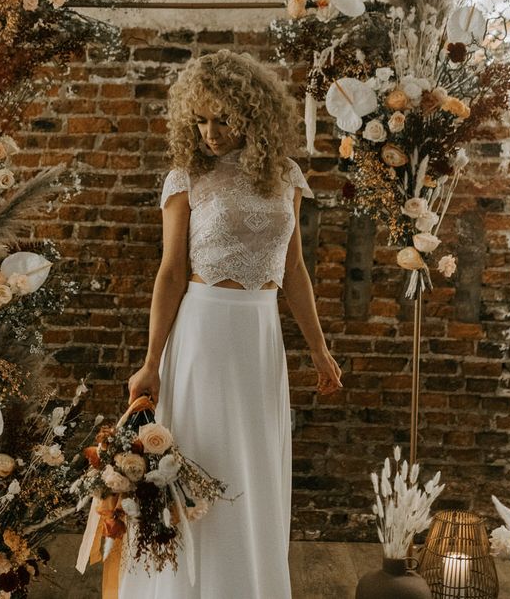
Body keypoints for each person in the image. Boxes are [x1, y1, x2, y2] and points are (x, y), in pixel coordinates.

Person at [119, 49, 343, 599]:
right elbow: (170, 272)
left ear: (252, 113)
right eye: (199, 120)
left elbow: (293, 269)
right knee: (200, 458)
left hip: (259, 338)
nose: (210, 132)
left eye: (222, 118)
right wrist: (151, 363)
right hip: (203, 336)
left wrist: (319, 350)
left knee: (253, 468)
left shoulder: (285, 175)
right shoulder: (186, 177)